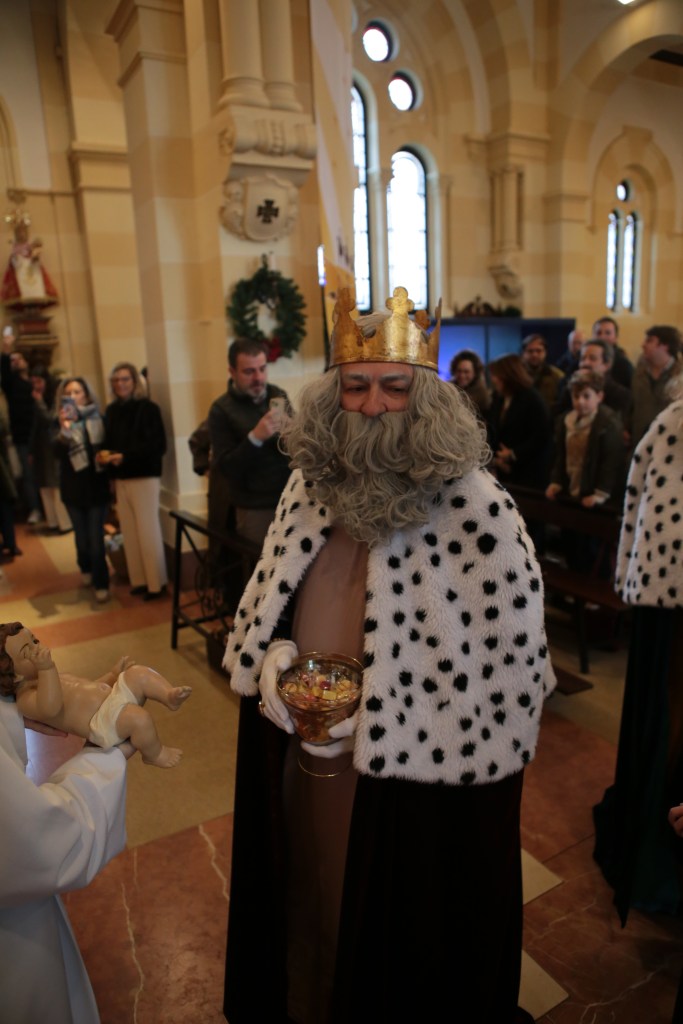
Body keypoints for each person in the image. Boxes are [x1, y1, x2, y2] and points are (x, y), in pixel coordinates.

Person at [222, 286, 554, 1024]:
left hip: (409, 786)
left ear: (426, 396)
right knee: (310, 883)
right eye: (356, 385)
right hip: (304, 752)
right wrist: (271, 658)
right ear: (333, 394)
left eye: (394, 387)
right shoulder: (307, 487)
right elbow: (269, 595)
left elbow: (510, 671)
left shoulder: (478, 507)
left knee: (387, 916)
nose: (373, 405)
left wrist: (387, 712)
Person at [0, 627, 128, 1024]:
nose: (38, 649)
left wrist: (15, 707)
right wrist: (104, 760)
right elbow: (42, 846)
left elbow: (57, 697)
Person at [593, 391, 683, 924]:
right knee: (670, 725)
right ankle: (657, 849)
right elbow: (643, 506)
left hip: (661, 597)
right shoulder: (675, 423)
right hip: (671, 603)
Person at [2, 622, 191, 767]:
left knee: (138, 673)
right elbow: (51, 708)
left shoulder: (46, 677)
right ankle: (154, 754)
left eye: (34, 641)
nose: (37, 648)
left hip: (112, 699)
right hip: (102, 722)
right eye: (27, 652)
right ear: (15, 675)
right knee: (140, 719)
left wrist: (111, 676)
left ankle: (169, 695)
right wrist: (46, 668)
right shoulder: (26, 697)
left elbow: (87, 688)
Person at [208, 337, 291, 546]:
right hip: (254, 506)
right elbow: (226, 468)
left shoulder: (277, 395)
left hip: (289, 498)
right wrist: (255, 438)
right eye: (249, 372)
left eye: (262, 369)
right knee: (260, 563)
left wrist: (294, 433)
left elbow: (294, 449)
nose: (258, 378)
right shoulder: (221, 410)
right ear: (232, 372)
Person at [546, 371, 625, 573]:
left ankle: (595, 584)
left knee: (592, 548)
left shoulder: (608, 423)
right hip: (572, 488)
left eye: (586, 396)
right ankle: (572, 578)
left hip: (595, 494)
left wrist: (600, 493)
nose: (580, 401)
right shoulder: (566, 420)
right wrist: (556, 481)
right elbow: (561, 455)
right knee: (571, 543)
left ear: (599, 396)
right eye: (576, 396)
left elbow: (611, 462)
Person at [102, 362, 168, 600]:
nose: (120, 384)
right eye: (116, 380)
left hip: (144, 476)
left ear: (135, 382)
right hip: (121, 477)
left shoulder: (148, 408)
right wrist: (108, 462)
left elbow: (157, 446)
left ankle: (156, 584)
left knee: (148, 530)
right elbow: (109, 443)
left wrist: (126, 457)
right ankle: (139, 580)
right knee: (129, 532)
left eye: (125, 379)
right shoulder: (111, 410)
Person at [53, 376, 112, 602]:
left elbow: (108, 446)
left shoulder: (99, 418)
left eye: (77, 392)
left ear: (86, 394)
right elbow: (56, 454)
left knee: (96, 540)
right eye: (68, 393)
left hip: (97, 488)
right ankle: (85, 566)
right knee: (82, 539)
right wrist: (65, 430)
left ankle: (101, 582)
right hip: (72, 490)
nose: (73, 396)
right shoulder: (58, 422)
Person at [487, 353, 552, 488]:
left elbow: (541, 436)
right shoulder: (499, 397)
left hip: (529, 473)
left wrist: (513, 454)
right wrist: (496, 458)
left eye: (496, 375)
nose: (493, 379)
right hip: (504, 470)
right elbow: (493, 428)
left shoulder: (532, 399)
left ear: (508, 376)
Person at [0, 326, 42, 523]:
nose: (16, 362)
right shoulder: (11, 383)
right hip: (22, 436)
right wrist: (6, 351)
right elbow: (4, 371)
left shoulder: (36, 381)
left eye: (19, 359)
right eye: (13, 360)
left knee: (45, 473)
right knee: (28, 474)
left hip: (40, 433)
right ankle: (35, 508)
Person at [29, 365, 72, 533]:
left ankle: (65, 524)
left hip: (53, 445)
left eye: (39, 382)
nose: (36, 386)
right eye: (33, 382)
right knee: (44, 486)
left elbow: (50, 419)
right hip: (40, 447)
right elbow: (34, 426)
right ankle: (52, 522)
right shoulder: (35, 397)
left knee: (55, 484)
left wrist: (39, 402)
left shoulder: (56, 397)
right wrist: (31, 450)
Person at [628, 324, 682, 448]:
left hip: (668, 444)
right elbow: (632, 402)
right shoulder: (640, 371)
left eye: (649, 341)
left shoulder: (679, 376)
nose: (643, 345)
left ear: (665, 345)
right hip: (639, 441)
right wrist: (627, 426)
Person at [521, 333, 564, 410]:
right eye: (530, 351)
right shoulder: (517, 376)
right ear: (524, 353)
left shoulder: (557, 376)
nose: (534, 355)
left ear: (545, 352)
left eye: (539, 351)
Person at [592, 316, 634, 389]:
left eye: (608, 333)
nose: (602, 337)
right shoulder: (584, 361)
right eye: (598, 333)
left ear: (615, 338)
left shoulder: (623, 365)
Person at [448, 348, 491, 419]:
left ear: (475, 373)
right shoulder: (448, 388)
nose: (462, 375)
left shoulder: (482, 394)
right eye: (459, 371)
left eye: (466, 372)